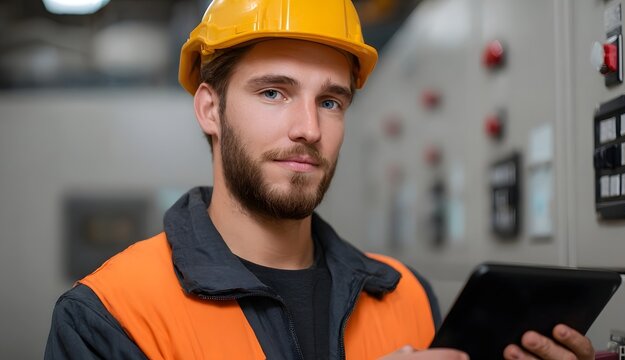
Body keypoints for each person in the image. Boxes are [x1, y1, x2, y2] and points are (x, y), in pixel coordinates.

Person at [45, 0, 596, 359]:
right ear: (209, 109)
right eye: (273, 92)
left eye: (330, 101)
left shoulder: (405, 297)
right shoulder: (111, 313)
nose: (309, 128)